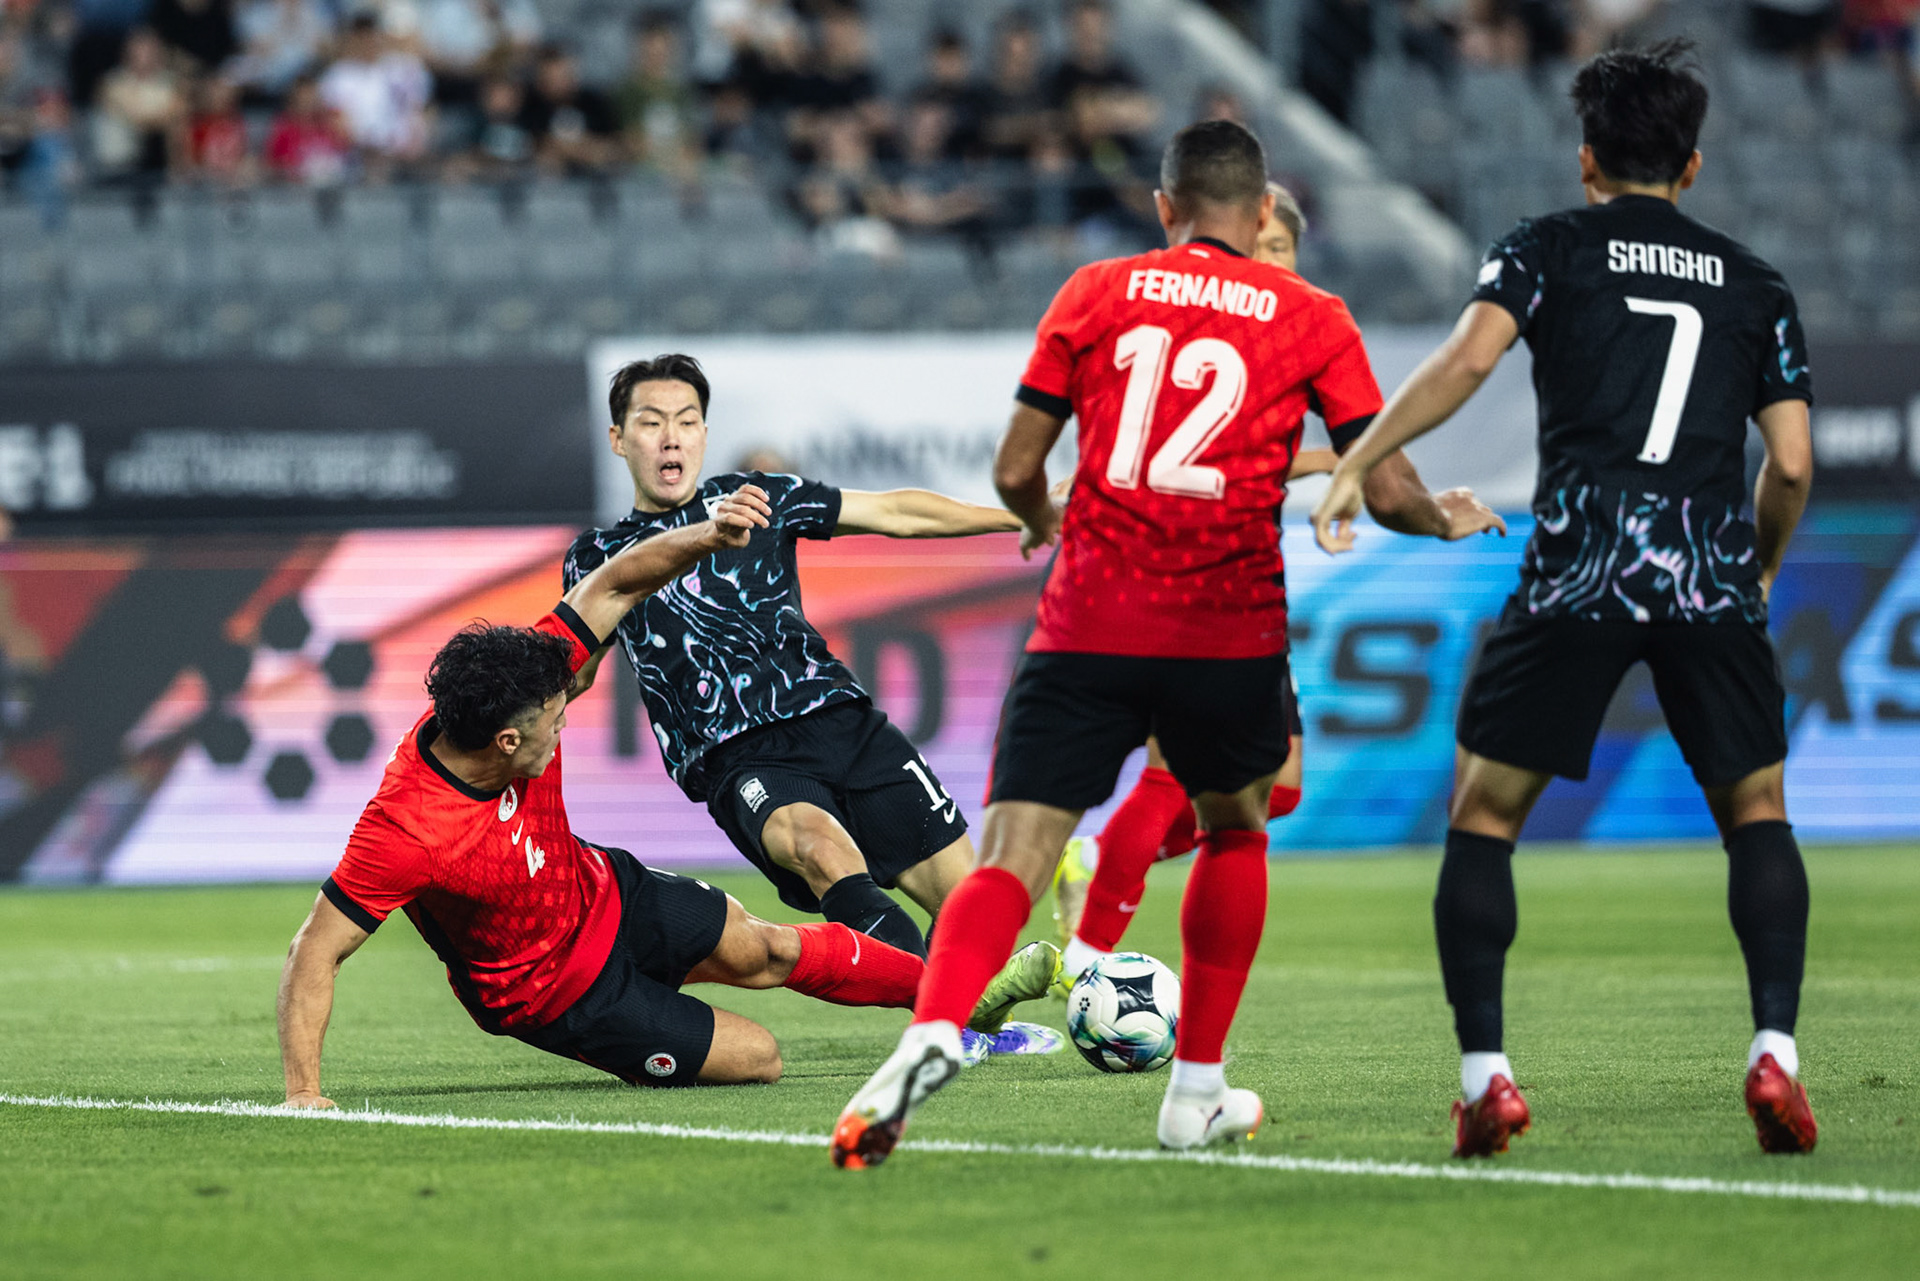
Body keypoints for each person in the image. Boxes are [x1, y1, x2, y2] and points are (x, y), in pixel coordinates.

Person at [831, 120, 1504, 1169]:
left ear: (1164, 207)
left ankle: (929, 1037)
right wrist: (1441, 519)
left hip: (1088, 619)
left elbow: (1019, 466)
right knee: (1238, 830)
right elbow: (1384, 483)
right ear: (1263, 214)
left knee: (1014, 853)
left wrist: (1039, 516)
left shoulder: (1096, 290)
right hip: (1226, 629)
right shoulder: (1312, 313)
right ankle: (1194, 1094)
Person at [1310, 40, 1819, 1159]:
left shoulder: (1545, 246)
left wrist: (1359, 460)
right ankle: (1774, 1051)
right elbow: (1788, 463)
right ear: (1691, 166)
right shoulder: (1754, 282)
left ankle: (1488, 1081)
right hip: (1707, 570)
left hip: (1584, 563)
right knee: (1759, 815)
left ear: (1588, 160)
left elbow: (1465, 361)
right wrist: (1760, 568)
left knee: (1485, 816)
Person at [278, 488, 937, 1103]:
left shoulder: (521, 681)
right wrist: (303, 1093)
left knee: (764, 949)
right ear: (506, 740)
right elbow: (315, 948)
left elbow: (616, 581)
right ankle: (647, 1019)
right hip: (560, 991)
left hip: (604, 891)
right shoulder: (407, 830)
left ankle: (949, 993)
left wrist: (708, 535)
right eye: (555, 721)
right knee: (759, 1056)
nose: (565, 721)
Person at [563, 354, 1023, 967]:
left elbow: (894, 512)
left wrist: (1025, 515)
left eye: (687, 420)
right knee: (821, 850)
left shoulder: (758, 497)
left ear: (704, 433)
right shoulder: (598, 556)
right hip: (737, 756)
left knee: (974, 911)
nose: (671, 436)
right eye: (651, 423)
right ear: (619, 439)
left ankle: (965, 1018)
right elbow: (574, 669)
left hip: (842, 722)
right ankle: (932, 1020)